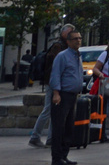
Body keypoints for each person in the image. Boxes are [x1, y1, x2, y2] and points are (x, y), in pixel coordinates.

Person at [29, 28, 73, 149]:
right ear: (63, 33)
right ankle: (35, 136)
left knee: (54, 111)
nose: (72, 35)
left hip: (56, 82)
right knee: (48, 110)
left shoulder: (63, 46)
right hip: (53, 83)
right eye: (70, 32)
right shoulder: (58, 47)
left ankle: (50, 139)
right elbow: (55, 67)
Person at [49, 27, 84, 165]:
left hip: (73, 96)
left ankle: (64, 155)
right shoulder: (62, 56)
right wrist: (56, 93)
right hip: (63, 95)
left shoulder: (78, 56)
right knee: (59, 128)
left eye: (80, 38)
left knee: (69, 127)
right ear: (68, 41)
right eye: (75, 39)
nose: (78, 41)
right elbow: (56, 75)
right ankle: (56, 158)